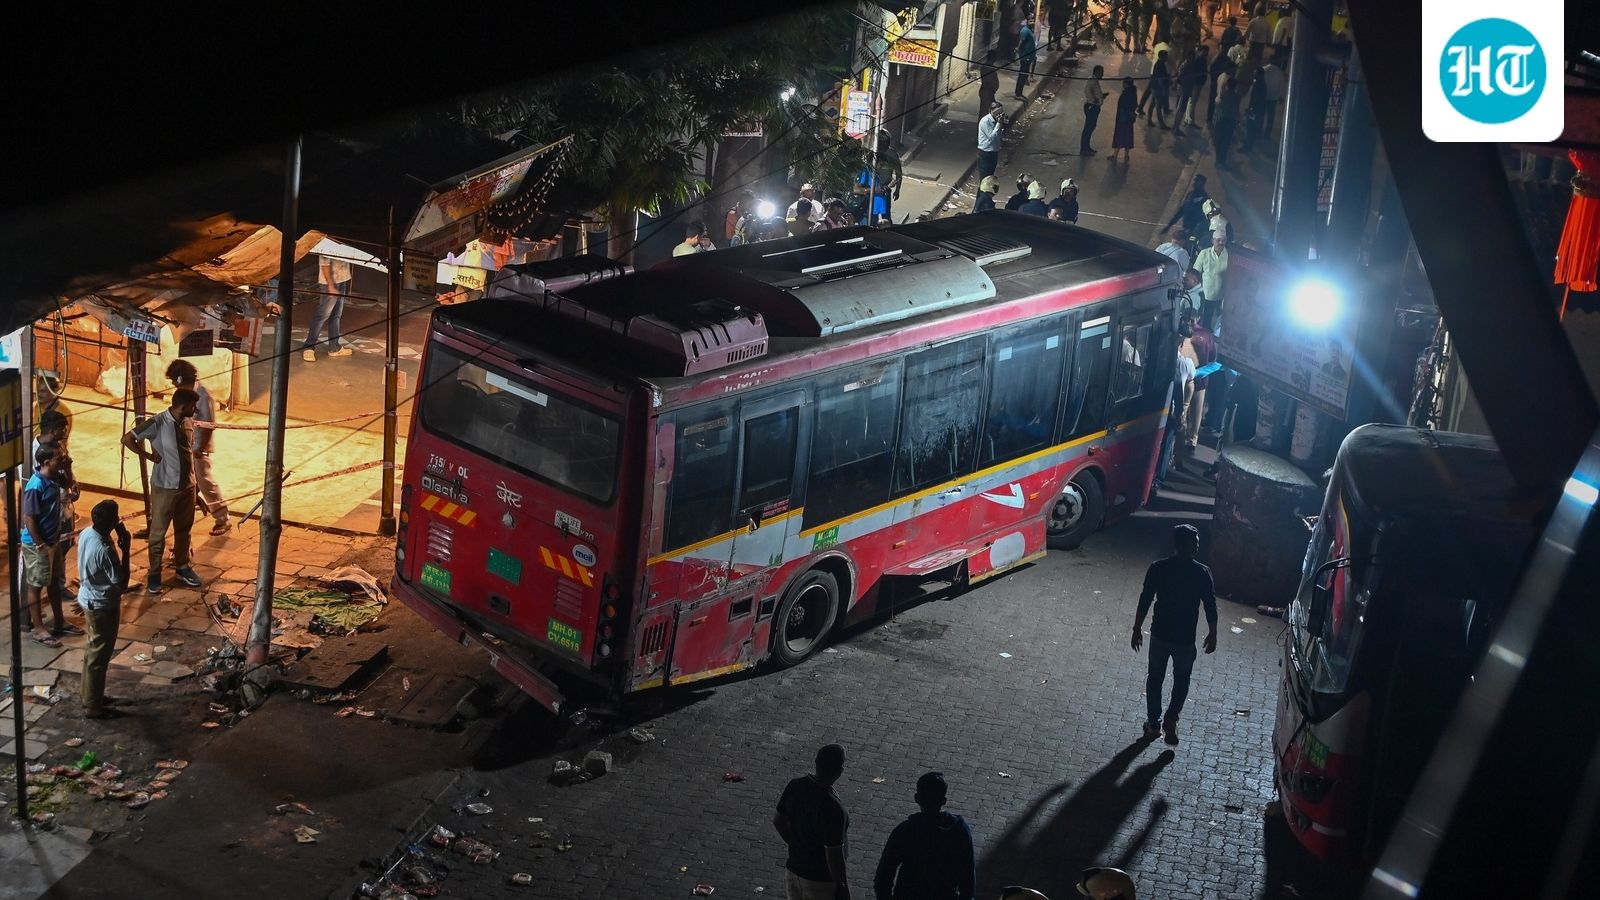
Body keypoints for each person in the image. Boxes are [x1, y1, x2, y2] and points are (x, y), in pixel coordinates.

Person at [1131, 524, 1218, 746]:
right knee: (1182, 678)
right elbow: (1210, 605)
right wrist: (1213, 633)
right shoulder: (1201, 572)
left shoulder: (1159, 568)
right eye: (1195, 540)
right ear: (1186, 544)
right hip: (1185, 638)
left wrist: (1137, 628)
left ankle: (1153, 724)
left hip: (1160, 633)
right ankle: (1172, 716)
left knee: (1155, 678)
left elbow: (1145, 598)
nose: (1198, 543)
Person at [122, 388, 203, 594]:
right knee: (158, 533)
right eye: (192, 406)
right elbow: (128, 439)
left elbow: (188, 453)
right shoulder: (157, 423)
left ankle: (182, 567)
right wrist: (149, 456)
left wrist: (196, 487)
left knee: (184, 530)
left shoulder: (187, 422)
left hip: (188, 486)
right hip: (165, 488)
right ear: (183, 407)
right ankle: (154, 573)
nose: (195, 409)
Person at [873, 772, 975, 900]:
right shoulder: (959, 829)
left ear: (917, 798)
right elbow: (968, 874)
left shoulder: (906, 831)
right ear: (944, 800)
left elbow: (884, 874)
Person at [775, 744, 852, 900]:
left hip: (793, 872)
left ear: (816, 762)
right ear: (840, 771)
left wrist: (797, 845)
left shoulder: (795, 786)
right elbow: (834, 858)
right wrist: (843, 887)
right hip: (820, 883)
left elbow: (778, 821)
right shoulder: (834, 808)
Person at [78, 499, 131, 720]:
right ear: (110, 522)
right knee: (99, 657)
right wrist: (126, 549)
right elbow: (122, 582)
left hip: (88, 598)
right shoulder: (105, 550)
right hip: (101, 605)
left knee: (92, 652)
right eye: (116, 516)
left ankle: (91, 696)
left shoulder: (87, 533)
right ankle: (94, 707)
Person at [166, 359, 231, 536]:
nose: (172, 384)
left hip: (197, 448)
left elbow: (209, 425)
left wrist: (200, 449)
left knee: (205, 482)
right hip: (185, 445)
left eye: (174, 380)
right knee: (184, 483)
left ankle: (222, 518)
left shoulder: (204, 394)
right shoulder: (183, 393)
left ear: (181, 378)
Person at [21, 443, 73, 646]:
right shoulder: (36, 485)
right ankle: (39, 629)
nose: (63, 459)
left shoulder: (54, 477)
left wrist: (67, 466)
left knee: (54, 581)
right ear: (46, 462)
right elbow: (29, 517)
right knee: (36, 585)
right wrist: (39, 544)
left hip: (53, 539)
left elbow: (67, 482)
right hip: (39, 544)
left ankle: (59, 620)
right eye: (59, 458)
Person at [1150, 321, 1196, 501]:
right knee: (1166, 447)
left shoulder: (1157, 360)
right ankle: (1158, 480)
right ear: (1180, 345)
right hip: (1172, 412)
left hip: (1155, 410)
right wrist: (1180, 416)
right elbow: (1186, 383)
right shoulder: (1185, 363)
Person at [302, 253, 353, 362]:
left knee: (336, 316)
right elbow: (324, 264)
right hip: (330, 283)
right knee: (322, 316)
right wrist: (331, 286)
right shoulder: (327, 245)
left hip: (341, 280)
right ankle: (308, 347)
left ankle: (334, 347)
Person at [1193, 234, 1229, 327]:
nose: (1221, 242)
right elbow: (1196, 271)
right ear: (1213, 240)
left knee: (1222, 318)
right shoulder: (1204, 253)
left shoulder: (1229, 255)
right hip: (1206, 293)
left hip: (1222, 294)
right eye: (1218, 240)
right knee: (1206, 317)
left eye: (1223, 240)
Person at [1172, 47, 1209, 133]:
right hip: (1183, 91)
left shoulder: (1190, 65)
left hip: (1186, 90)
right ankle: (1176, 128)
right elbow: (1178, 78)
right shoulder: (1185, 66)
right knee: (1180, 110)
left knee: (1181, 109)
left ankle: (1175, 127)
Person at [1212, 79, 1243, 167]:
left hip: (1222, 119)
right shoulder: (1236, 97)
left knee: (1220, 141)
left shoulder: (1223, 95)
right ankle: (1222, 161)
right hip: (1230, 121)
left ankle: (1218, 160)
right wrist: (1238, 125)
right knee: (1226, 142)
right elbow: (1236, 111)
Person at [1139, 50, 1172, 129]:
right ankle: (1161, 124)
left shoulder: (1158, 64)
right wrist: (1164, 88)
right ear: (1162, 56)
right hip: (1158, 88)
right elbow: (1160, 78)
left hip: (1154, 86)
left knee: (1152, 104)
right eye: (1166, 56)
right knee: (1158, 105)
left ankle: (1149, 121)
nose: (1167, 57)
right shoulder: (1161, 65)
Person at [1257, 55, 1285, 140]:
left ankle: (1259, 132)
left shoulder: (1265, 69)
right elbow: (1281, 86)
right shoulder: (1280, 72)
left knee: (1261, 115)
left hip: (1264, 95)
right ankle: (1267, 134)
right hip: (1273, 97)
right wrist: (1281, 96)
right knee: (1270, 117)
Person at [1081, 65, 1106, 156]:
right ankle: (1084, 148)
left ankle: (1087, 147)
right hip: (1092, 107)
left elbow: (1093, 92)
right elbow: (1087, 90)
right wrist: (1093, 100)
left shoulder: (1095, 81)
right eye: (1101, 72)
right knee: (1088, 128)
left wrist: (1101, 97)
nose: (1102, 74)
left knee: (1091, 127)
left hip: (1094, 106)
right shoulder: (1092, 80)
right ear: (1097, 72)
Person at [976, 102, 1005, 180]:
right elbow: (992, 137)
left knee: (990, 178)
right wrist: (999, 124)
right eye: (997, 111)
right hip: (986, 153)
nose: (999, 114)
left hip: (994, 153)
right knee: (985, 180)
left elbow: (999, 136)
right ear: (991, 111)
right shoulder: (986, 121)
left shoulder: (996, 120)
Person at [1111, 78, 1137, 162]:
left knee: (1119, 136)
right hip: (1129, 119)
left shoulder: (1126, 94)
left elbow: (1123, 106)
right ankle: (1126, 155)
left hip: (1122, 118)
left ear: (1126, 84)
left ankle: (1115, 155)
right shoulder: (1133, 93)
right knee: (1128, 137)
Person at [1205, 50, 1235, 124]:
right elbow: (1222, 91)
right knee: (1220, 118)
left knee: (1216, 115)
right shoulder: (1227, 79)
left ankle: (1211, 121)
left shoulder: (1222, 75)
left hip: (1217, 98)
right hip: (1222, 101)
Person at [1014, 17, 1037, 98]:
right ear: (1027, 21)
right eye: (1031, 21)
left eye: (1033, 21)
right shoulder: (1025, 31)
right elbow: (1021, 41)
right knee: (1022, 75)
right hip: (1025, 56)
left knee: (1024, 75)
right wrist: (1018, 49)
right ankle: (1018, 94)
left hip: (1029, 56)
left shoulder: (1030, 30)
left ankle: (1019, 92)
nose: (1032, 22)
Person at [978, 51, 1001, 116]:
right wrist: (991, 95)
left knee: (985, 110)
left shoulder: (986, 67)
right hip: (987, 92)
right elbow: (988, 82)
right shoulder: (989, 68)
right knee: (985, 111)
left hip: (987, 92)